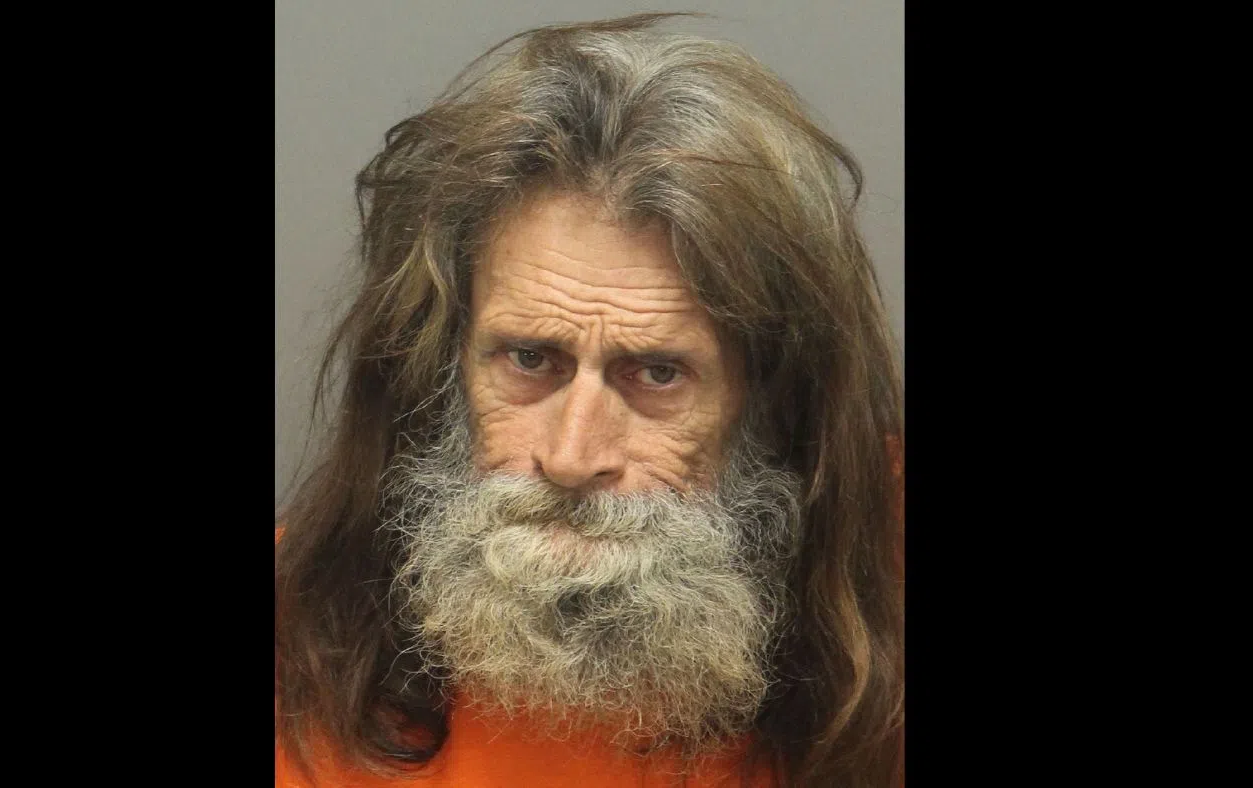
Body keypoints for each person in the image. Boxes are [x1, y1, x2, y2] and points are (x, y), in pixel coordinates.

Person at [275, 13, 903, 788]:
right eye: (530, 359)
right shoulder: (292, 643)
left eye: (657, 373)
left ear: (771, 403)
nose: (571, 458)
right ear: (444, 368)